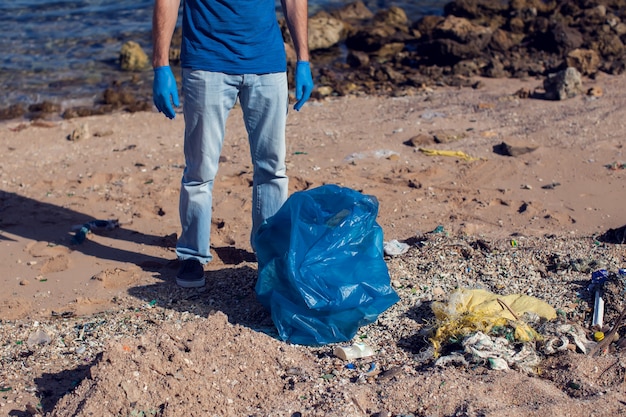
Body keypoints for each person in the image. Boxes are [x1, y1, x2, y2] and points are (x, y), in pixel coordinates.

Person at [152, 0, 313, 288]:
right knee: (200, 169)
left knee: (273, 168)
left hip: (267, 63)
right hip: (206, 63)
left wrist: (303, 59)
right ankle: (192, 255)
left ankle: (269, 252)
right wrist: (160, 65)